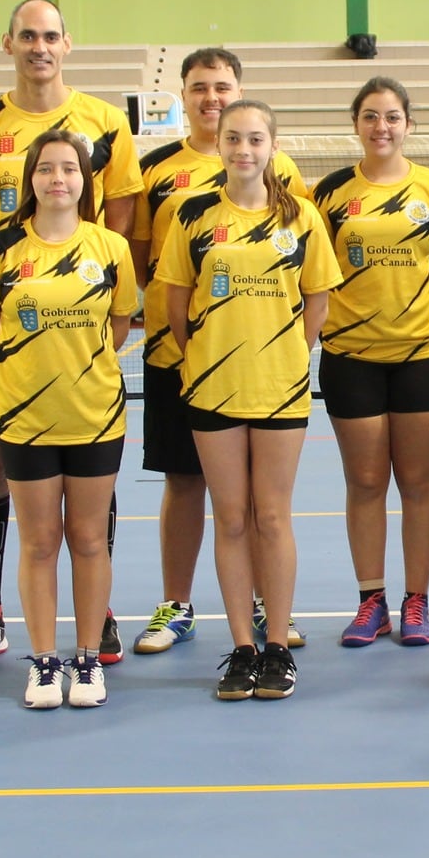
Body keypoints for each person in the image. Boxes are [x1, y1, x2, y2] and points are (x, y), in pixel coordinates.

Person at [0, 0, 143, 671]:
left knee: (92, 474)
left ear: (68, 43)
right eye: (28, 35)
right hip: (7, 325)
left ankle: (96, 612)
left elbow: (118, 228)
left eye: (50, 35)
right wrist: (13, 295)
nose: (40, 46)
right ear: (8, 44)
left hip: (81, 336)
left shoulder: (106, 124)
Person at [129, 47, 312, 655]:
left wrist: (286, 351)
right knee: (185, 484)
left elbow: (304, 275)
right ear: (182, 95)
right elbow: (141, 256)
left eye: (223, 86)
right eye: (200, 87)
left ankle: (264, 610)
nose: (211, 96)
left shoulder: (279, 168)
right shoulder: (155, 170)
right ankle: (176, 606)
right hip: (178, 359)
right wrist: (192, 346)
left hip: (264, 369)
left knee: (262, 504)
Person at [159, 100, 341, 700]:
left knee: (272, 515)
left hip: (280, 390)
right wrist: (208, 357)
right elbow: (177, 306)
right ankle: (241, 647)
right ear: (219, 145)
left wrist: (288, 353)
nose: (243, 149)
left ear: (272, 147)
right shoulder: (192, 216)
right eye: (233, 138)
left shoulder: (303, 218)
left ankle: (279, 649)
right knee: (230, 517)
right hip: (212, 389)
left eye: (255, 139)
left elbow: (317, 300)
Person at [0, 130, 137, 710]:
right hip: (23, 415)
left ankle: (86, 659)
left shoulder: (110, 248)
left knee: (89, 539)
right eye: (46, 169)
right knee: (39, 542)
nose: (57, 178)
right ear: (30, 179)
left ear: (85, 180)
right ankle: (43, 662)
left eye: (69, 168)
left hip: (94, 414)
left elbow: (118, 328)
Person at [312, 76, 429, 647]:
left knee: (419, 481)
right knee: (366, 481)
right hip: (350, 356)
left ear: (408, 124)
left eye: (392, 116)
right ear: (356, 124)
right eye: (371, 116)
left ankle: (417, 601)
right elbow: (318, 272)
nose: (382, 126)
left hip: (423, 355)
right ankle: (370, 600)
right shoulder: (327, 194)